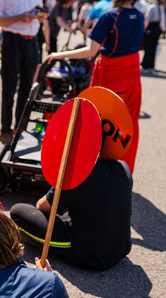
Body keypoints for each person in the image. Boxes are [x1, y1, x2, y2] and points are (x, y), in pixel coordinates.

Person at [46, 0, 144, 173]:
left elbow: (91, 50)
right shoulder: (139, 16)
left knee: (101, 125)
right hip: (134, 76)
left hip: (113, 75)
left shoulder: (110, 16)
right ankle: (124, 172)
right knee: (129, 127)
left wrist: (59, 55)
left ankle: (98, 173)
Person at [9, 146, 133, 270]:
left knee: (17, 211)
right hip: (120, 249)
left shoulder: (78, 176)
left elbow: (41, 206)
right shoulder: (123, 167)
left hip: (86, 255)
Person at [0, 0, 49, 145]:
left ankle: (19, 129)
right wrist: (20, 18)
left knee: (27, 90)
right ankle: (5, 130)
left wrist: (41, 16)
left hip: (32, 42)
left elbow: (37, 14)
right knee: (9, 88)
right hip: (12, 41)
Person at [141, 0, 166, 73]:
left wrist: (143, 29)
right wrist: (163, 30)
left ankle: (145, 65)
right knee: (153, 48)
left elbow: (147, 19)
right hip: (157, 29)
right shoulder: (160, 7)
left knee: (148, 48)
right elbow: (163, 19)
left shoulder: (151, 7)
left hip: (150, 28)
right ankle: (151, 66)